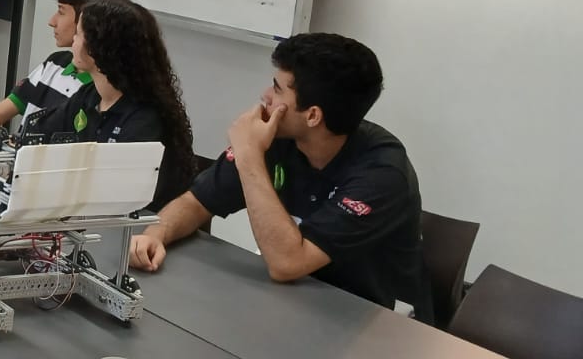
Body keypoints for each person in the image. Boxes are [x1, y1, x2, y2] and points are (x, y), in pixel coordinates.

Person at [128, 33, 425, 313]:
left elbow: (287, 263)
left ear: (312, 116)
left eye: (278, 88)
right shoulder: (281, 138)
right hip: (296, 301)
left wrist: (249, 155)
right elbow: (196, 202)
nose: (265, 95)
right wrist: (157, 233)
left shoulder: (383, 173)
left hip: (371, 320)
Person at [30, 0, 194, 210]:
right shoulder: (89, 96)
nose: (74, 41)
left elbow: (118, 197)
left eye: (79, 33)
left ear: (99, 47)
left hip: (134, 232)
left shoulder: (145, 120)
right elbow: (39, 135)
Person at [0, 0, 129, 129]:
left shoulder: (103, 90)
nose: (52, 21)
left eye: (61, 11)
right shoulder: (55, 63)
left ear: (88, 21)